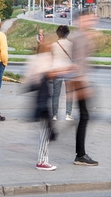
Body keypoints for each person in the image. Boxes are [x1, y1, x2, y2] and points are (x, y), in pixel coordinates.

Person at [25, 40, 70, 171]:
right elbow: (47, 74)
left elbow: (32, 77)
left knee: (45, 130)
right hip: (42, 100)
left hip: (40, 99)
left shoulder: (36, 59)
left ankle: (43, 159)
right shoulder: (43, 59)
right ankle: (42, 161)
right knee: (45, 131)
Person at [69, 10, 98, 166]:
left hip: (80, 80)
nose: (91, 22)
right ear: (79, 21)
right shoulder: (79, 37)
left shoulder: (81, 36)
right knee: (84, 116)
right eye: (87, 20)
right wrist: (83, 85)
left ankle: (80, 153)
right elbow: (78, 62)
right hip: (80, 81)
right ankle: (80, 154)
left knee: (84, 116)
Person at [51, 25, 74, 121]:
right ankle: (68, 114)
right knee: (69, 93)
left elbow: (51, 57)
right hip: (68, 70)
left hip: (56, 70)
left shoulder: (53, 45)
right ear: (67, 34)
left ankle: (55, 115)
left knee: (56, 94)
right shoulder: (71, 45)